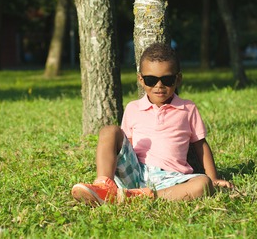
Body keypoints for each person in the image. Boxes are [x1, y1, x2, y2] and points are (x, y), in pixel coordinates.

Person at [71, 42, 233, 206]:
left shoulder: (188, 108)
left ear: (178, 79)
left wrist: (213, 179)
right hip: (136, 171)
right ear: (141, 80)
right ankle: (103, 186)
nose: (159, 86)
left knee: (203, 184)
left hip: (171, 178)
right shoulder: (133, 108)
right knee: (109, 131)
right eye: (151, 80)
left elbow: (200, 145)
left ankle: (137, 197)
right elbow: (126, 146)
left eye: (167, 80)